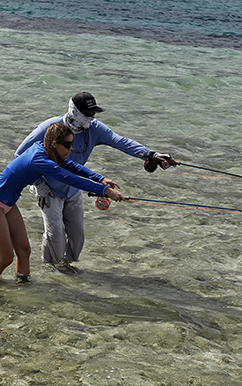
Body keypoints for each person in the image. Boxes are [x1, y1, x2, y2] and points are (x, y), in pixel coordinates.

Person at [15, 92, 178, 273]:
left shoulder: (95, 128)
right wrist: (40, 184)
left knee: (77, 236)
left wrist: (151, 154)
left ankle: (65, 268)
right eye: (87, 114)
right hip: (49, 189)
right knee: (56, 236)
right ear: (74, 112)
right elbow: (20, 154)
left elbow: (121, 142)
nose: (91, 118)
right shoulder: (50, 128)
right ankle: (50, 271)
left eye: (94, 113)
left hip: (75, 187)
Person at [0, 122, 125, 282]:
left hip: (8, 204)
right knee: (6, 258)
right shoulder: (38, 159)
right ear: (54, 144)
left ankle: (23, 289)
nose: (71, 149)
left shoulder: (41, 148)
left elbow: (70, 165)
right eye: (68, 145)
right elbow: (70, 178)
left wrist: (100, 179)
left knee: (24, 251)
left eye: (72, 144)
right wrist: (105, 191)